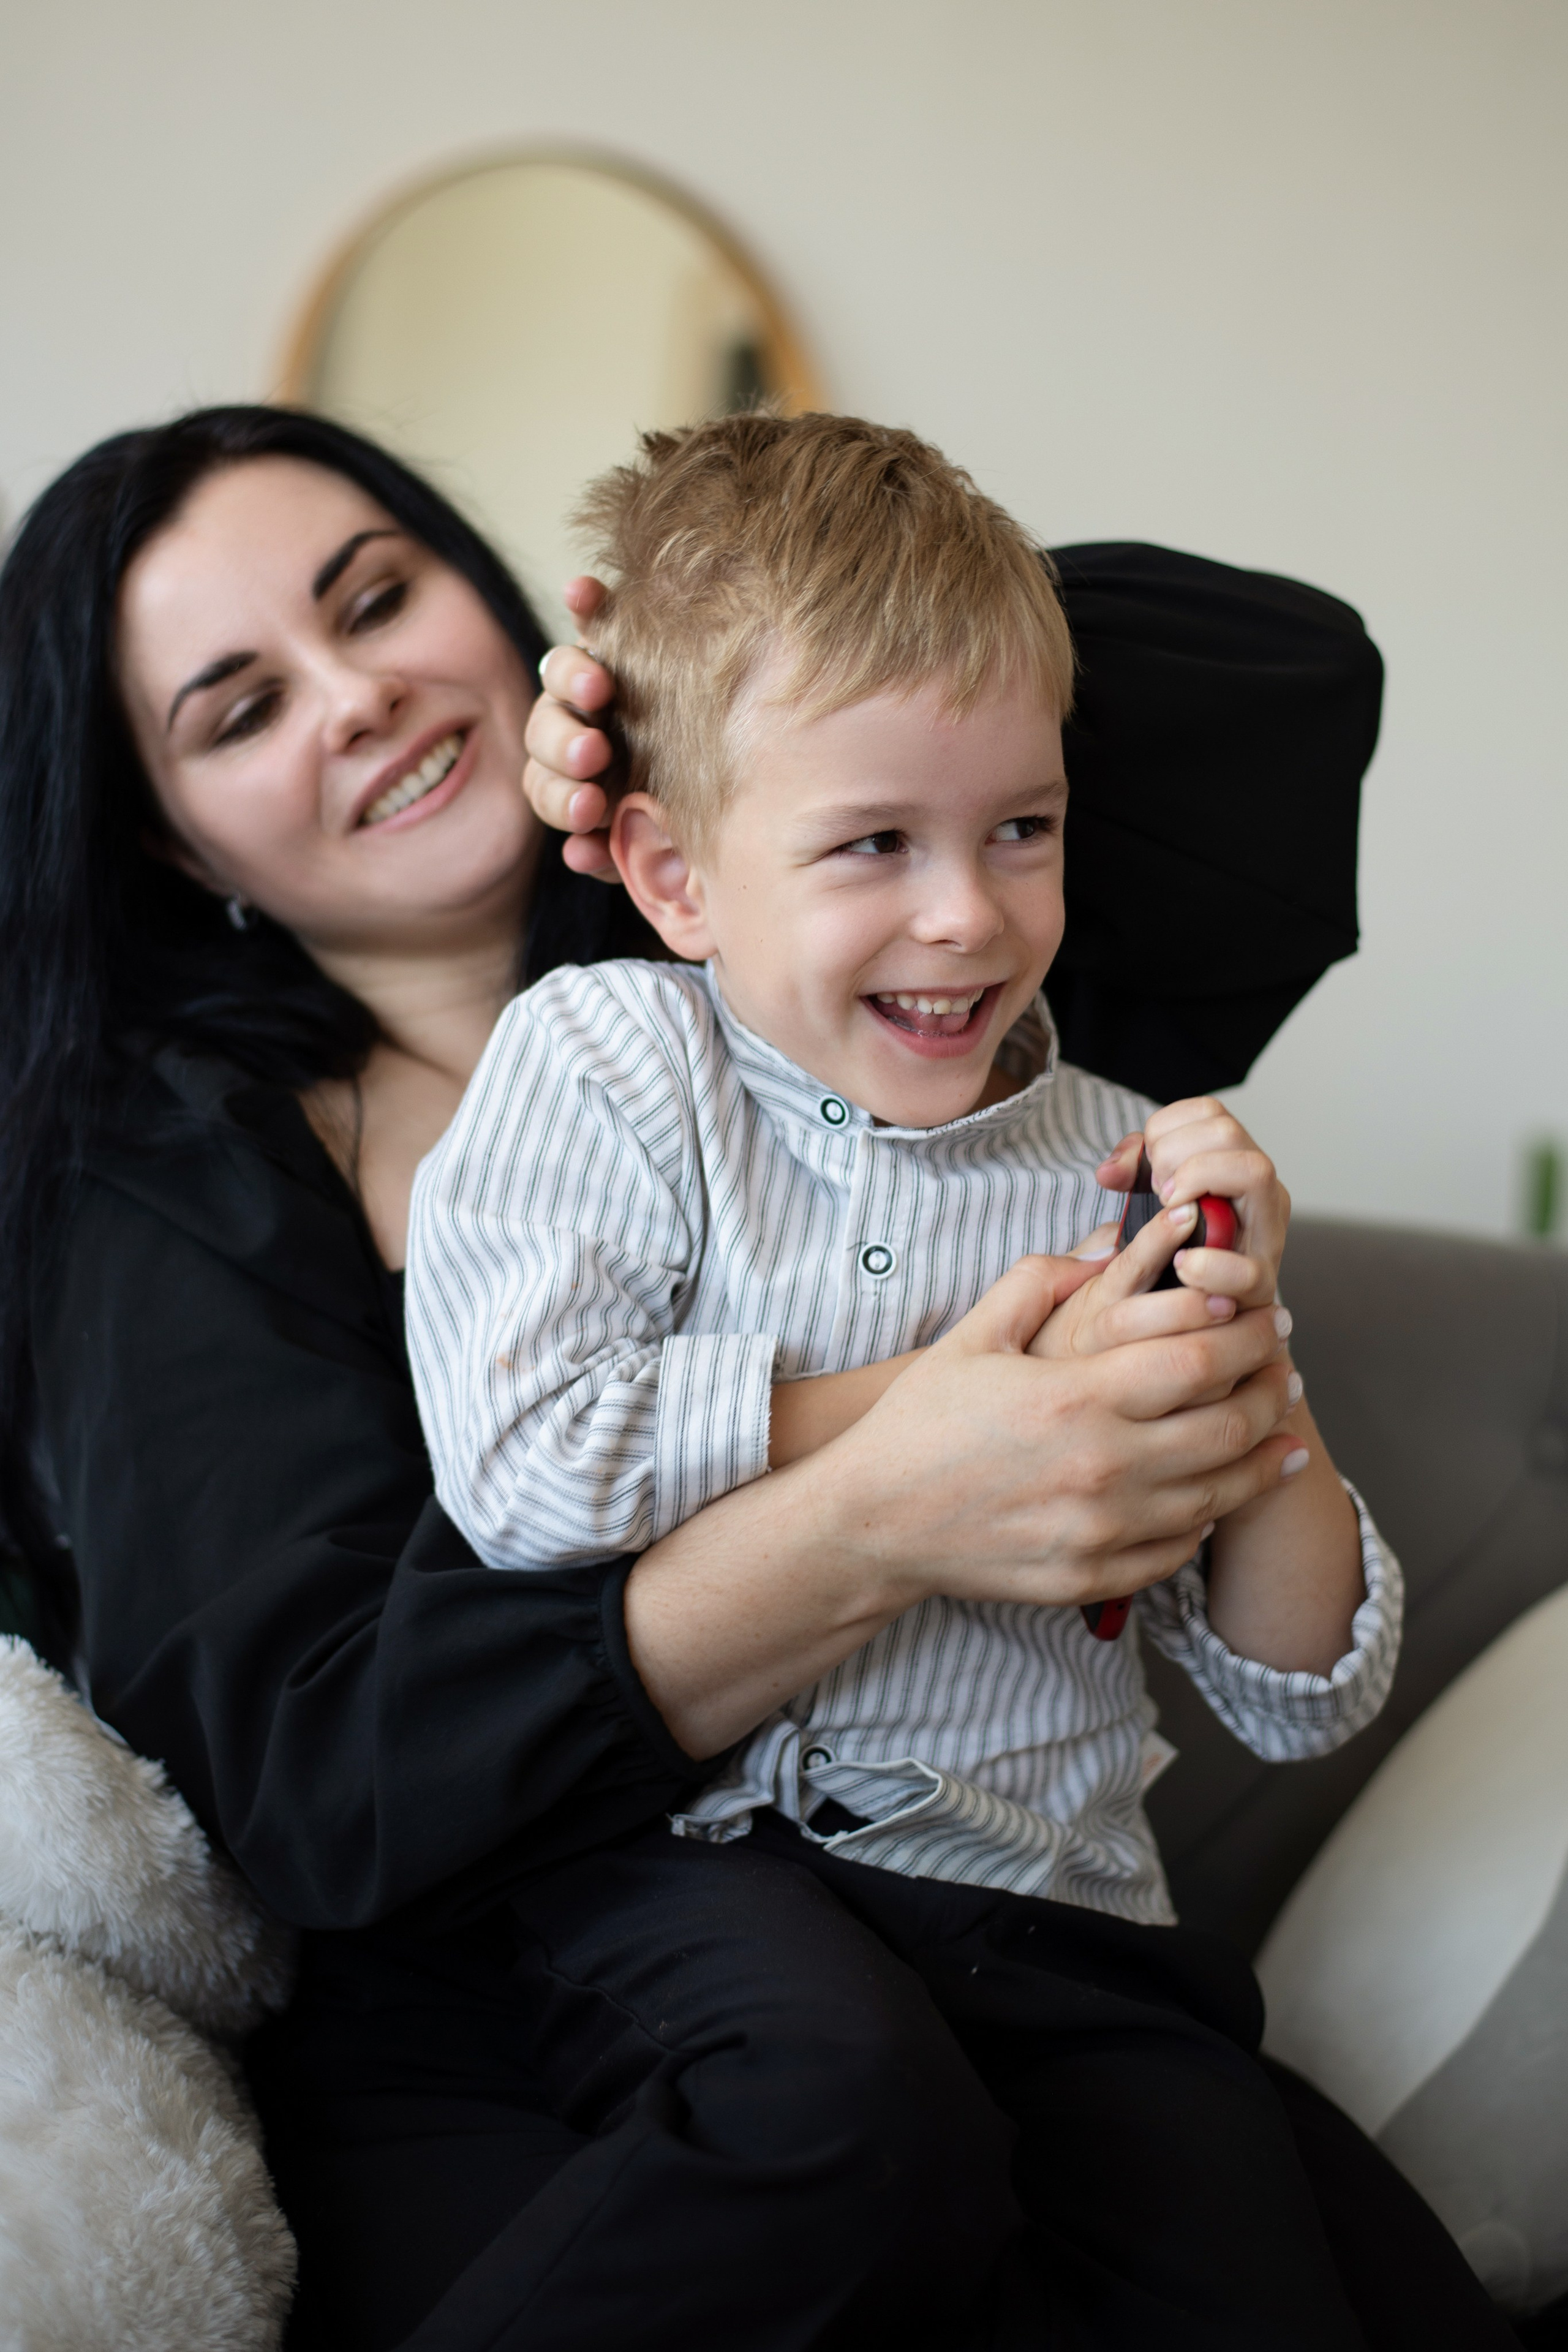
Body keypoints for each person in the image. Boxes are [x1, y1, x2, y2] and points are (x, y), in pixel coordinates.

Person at [0, 405, 1504, 2351]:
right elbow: (321, 1786)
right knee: (861, 2132)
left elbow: (1283, 678)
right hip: (550, 2010)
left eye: (379, 603)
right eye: (239, 708)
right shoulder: (163, 1190)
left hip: (1019, 1924)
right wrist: (903, 1481)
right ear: (161, 832)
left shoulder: (901, 998)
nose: (361, 696)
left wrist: (735, 669)